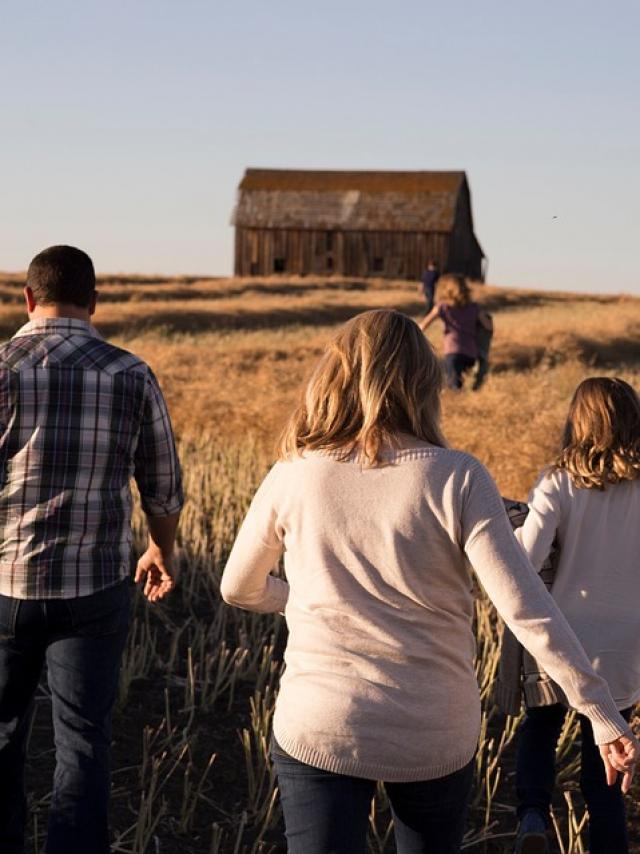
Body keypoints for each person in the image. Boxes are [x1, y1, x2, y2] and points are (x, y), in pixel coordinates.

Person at [220, 310, 637, 854]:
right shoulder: (459, 476)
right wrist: (600, 714)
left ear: (335, 376)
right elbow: (524, 608)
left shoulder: (293, 472)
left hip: (321, 724)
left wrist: (300, 600)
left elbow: (238, 587)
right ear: (424, 381)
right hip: (432, 730)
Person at [0, 246, 184, 854]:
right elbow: (162, 488)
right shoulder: (131, 373)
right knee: (82, 742)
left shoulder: (1, 367)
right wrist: (162, 550)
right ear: (94, 302)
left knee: (2, 736)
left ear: (27, 299)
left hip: (4, 588)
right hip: (95, 587)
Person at [513, 377, 640, 854]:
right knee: (605, 758)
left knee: (540, 726)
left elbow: (523, 561)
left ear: (577, 422)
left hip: (563, 635)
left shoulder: (558, 481)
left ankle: (531, 815)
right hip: (627, 641)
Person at [419, 273, 492, 390]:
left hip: (453, 352)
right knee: (465, 387)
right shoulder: (474, 307)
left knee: (452, 389)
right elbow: (488, 326)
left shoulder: (442, 307)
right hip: (471, 354)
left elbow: (422, 326)